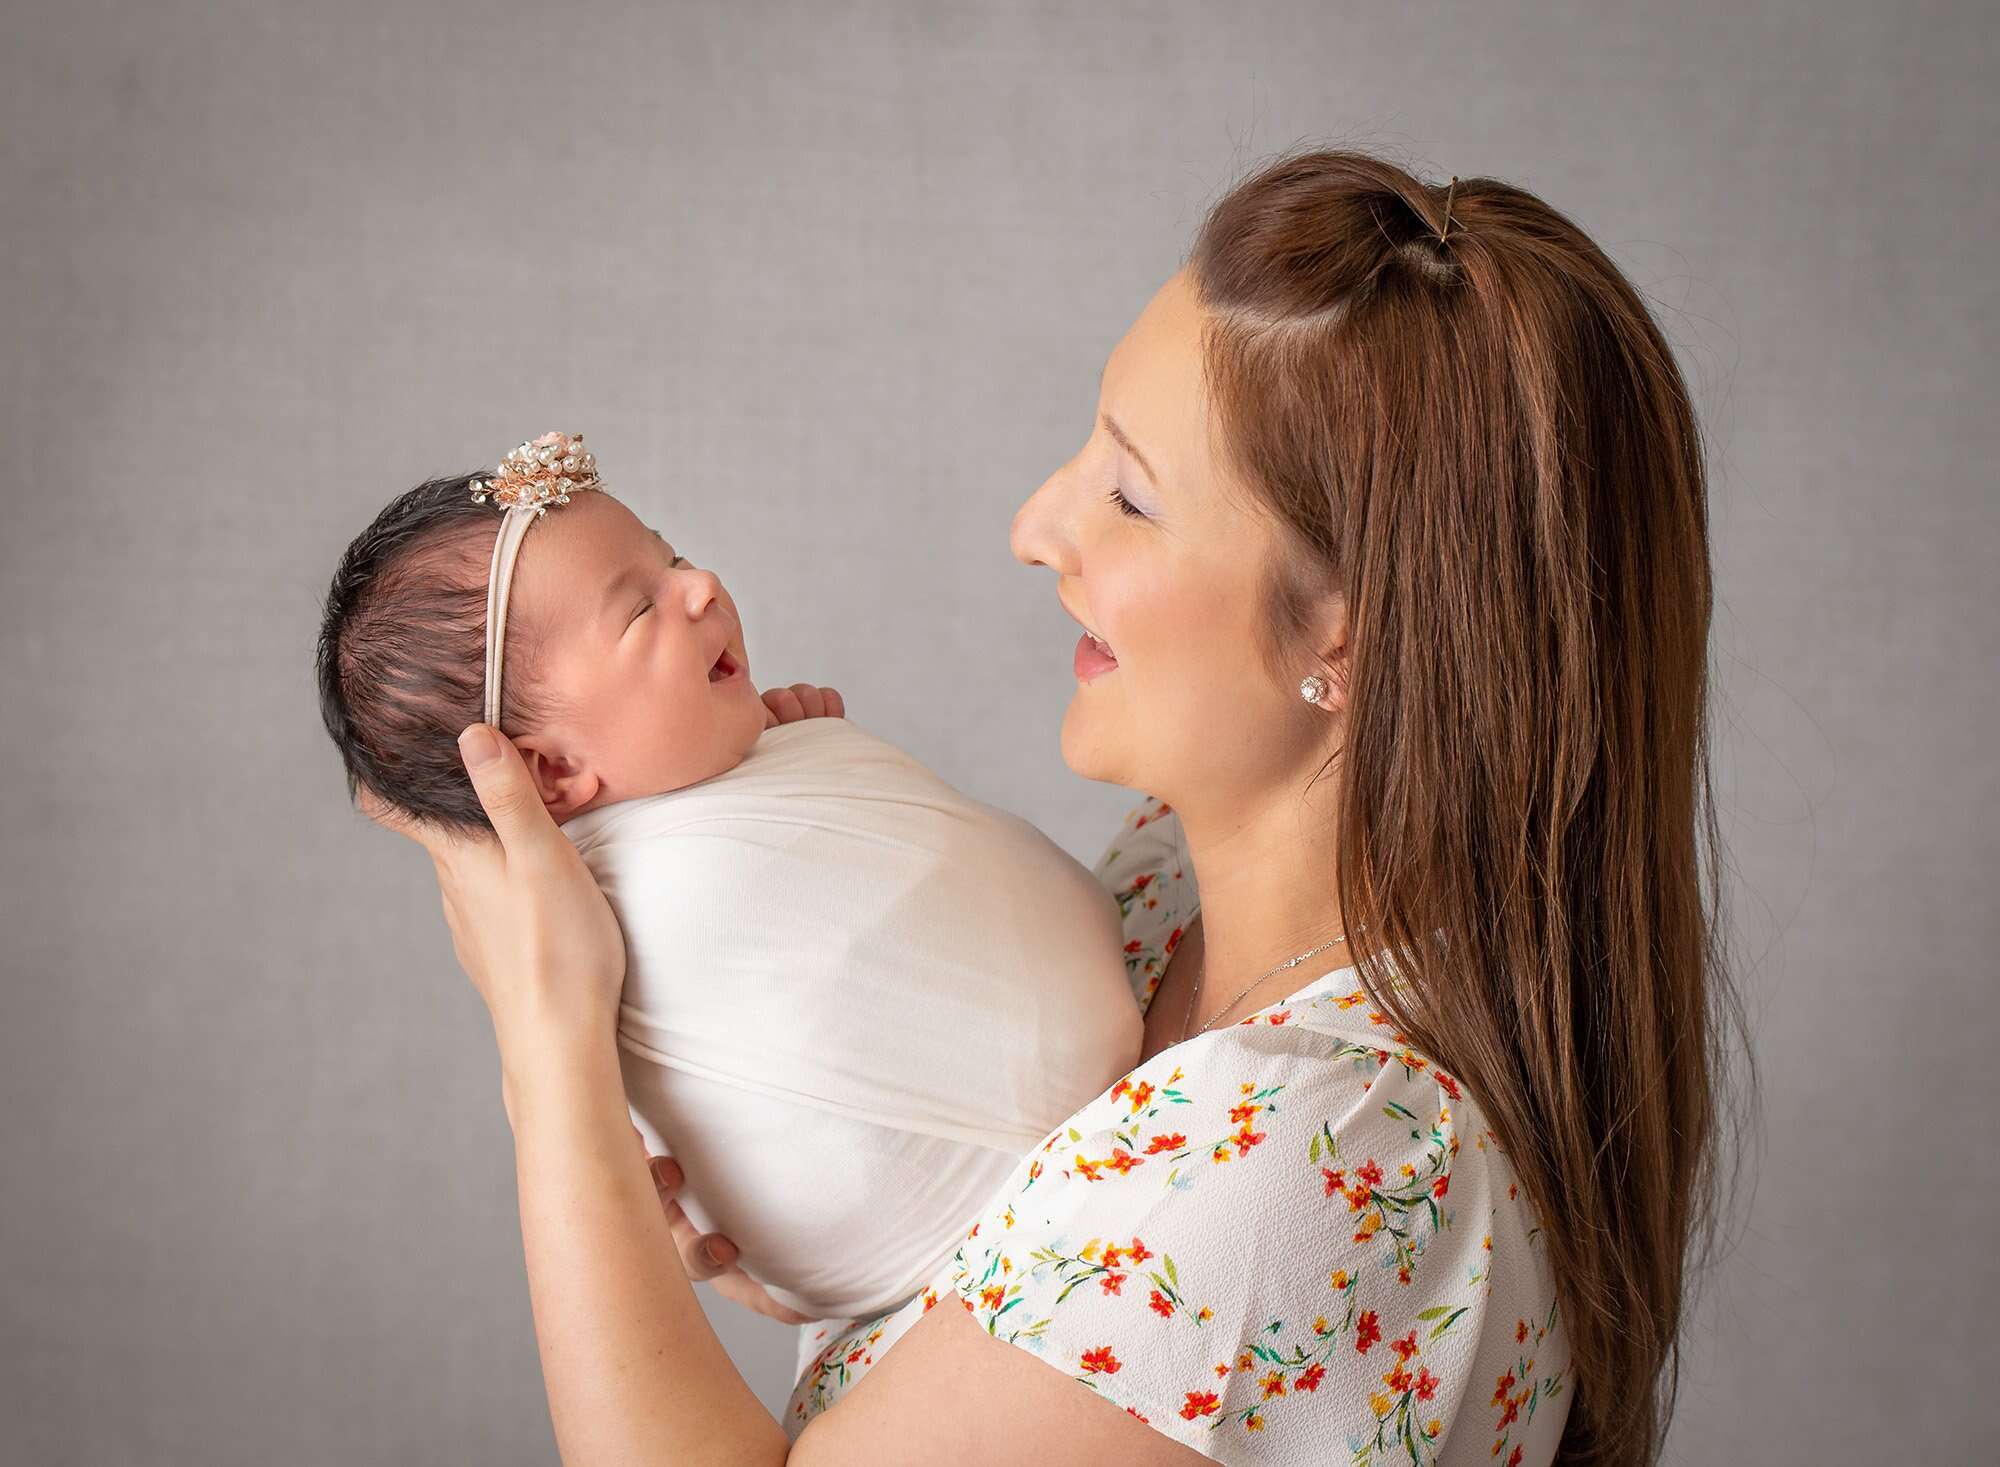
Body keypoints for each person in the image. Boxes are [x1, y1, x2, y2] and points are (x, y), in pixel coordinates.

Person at [366, 148, 1741, 1466]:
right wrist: (850, 1230)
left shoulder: (1315, 1155)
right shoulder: (1163, 891)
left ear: (1351, 633)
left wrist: (549, 1057)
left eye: (1131, 497)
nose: (1035, 522)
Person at [316, 443, 1143, 1322]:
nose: (701, 582)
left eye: (670, 557)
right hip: (1004, 1211)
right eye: (641, 609)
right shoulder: (660, 896)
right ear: (551, 773)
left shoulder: (710, 797)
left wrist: (803, 763)